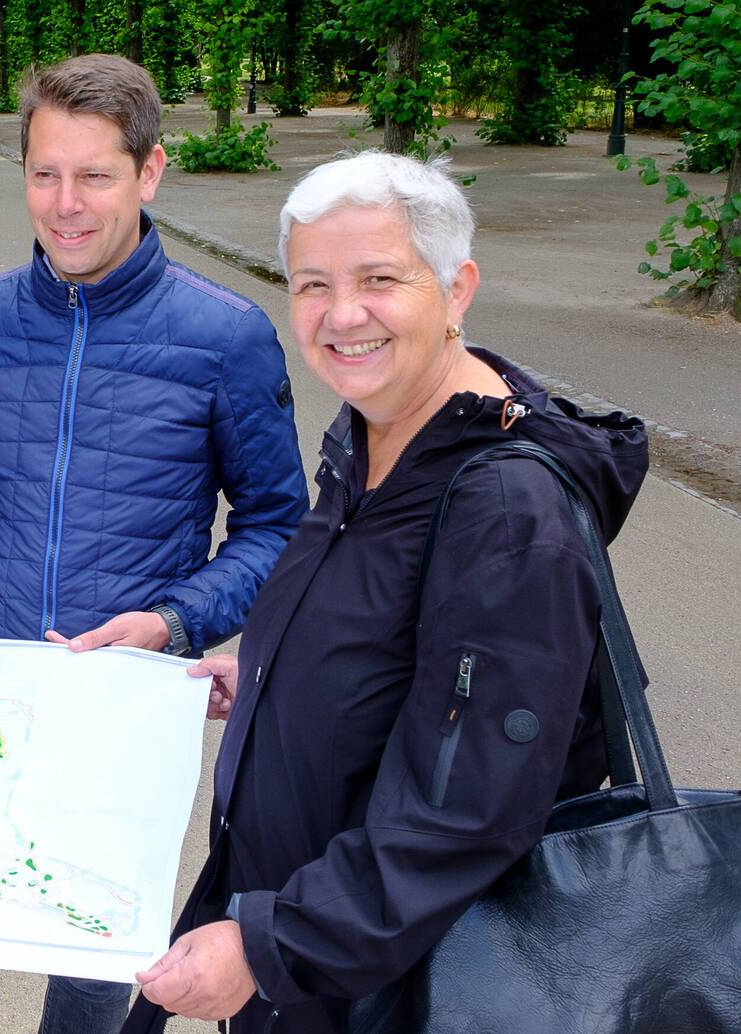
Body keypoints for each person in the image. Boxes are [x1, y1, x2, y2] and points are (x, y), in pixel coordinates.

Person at [123, 152, 649, 1034]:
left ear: (457, 288)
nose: (342, 315)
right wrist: (266, 678)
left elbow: (471, 810)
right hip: (327, 952)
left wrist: (270, 948)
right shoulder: (376, 434)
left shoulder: (505, 507)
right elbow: (402, 656)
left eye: (379, 280)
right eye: (312, 284)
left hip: (393, 982)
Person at [0, 53, 310, 1034]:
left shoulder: (224, 335)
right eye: (43, 174)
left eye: (94, 176)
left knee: (93, 1005)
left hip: (120, 728)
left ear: (148, 173)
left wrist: (172, 621)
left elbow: (281, 527)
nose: (64, 205)